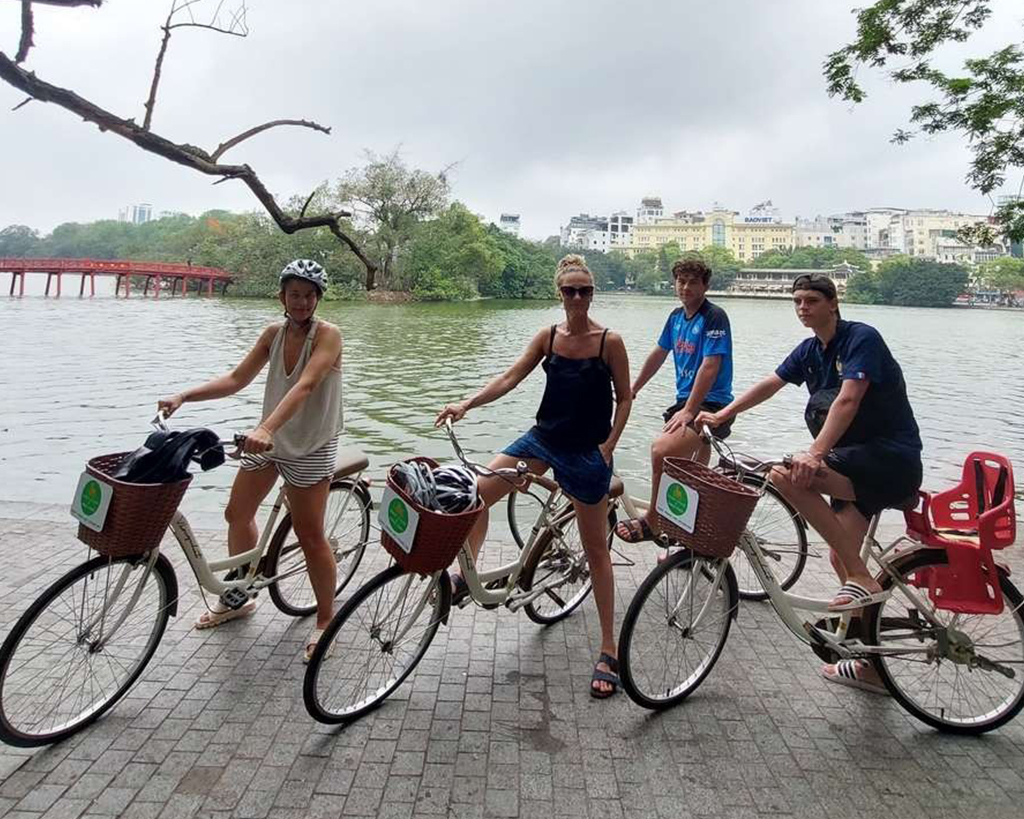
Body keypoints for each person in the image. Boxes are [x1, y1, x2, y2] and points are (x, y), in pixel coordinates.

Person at [696, 272, 923, 694]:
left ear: (833, 303)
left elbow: (848, 398)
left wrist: (815, 453)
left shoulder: (861, 339)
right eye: (797, 301)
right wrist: (725, 414)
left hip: (889, 460)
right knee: (840, 558)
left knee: (786, 478)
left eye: (812, 301)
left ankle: (862, 575)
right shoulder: (810, 350)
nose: (803, 308)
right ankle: (871, 664)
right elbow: (772, 383)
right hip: (855, 465)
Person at [435, 254, 632, 698]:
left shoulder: (609, 342)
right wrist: (466, 404)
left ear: (592, 293)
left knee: (595, 550)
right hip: (542, 440)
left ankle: (609, 648)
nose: (577, 298)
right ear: (559, 293)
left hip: (587, 453)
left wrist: (609, 446)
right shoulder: (548, 337)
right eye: (570, 291)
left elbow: (625, 398)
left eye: (585, 290)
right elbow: (510, 378)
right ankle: (468, 576)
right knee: (474, 494)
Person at [158, 259, 343, 663]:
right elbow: (237, 379)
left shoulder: (329, 336)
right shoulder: (273, 334)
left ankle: (326, 619)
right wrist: (183, 396)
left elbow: (307, 385)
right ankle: (240, 595)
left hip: (309, 444)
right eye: (294, 294)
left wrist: (267, 429)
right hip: (268, 441)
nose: (302, 302)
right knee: (236, 513)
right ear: (282, 296)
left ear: (318, 299)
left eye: (310, 295)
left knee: (311, 535)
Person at [614, 257, 734, 543]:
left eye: (693, 282)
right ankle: (685, 538)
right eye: (681, 281)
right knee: (693, 479)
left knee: (661, 451)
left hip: (711, 405)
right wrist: (633, 388)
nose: (686, 287)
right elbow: (658, 354)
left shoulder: (714, 317)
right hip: (685, 403)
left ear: (706, 285)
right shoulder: (675, 318)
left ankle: (654, 521)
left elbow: (711, 365)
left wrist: (690, 411)